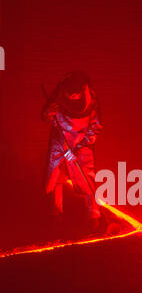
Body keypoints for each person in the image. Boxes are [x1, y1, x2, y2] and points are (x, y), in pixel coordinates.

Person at [42, 71, 104, 234]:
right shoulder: (58, 98)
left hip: (81, 144)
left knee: (87, 178)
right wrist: (49, 113)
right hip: (61, 143)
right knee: (57, 177)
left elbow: (95, 127)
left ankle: (94, 214)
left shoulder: (92, 103)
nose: (73, 97)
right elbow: (47, 118)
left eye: (76, 94)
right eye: (70, 94)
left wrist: (81, 147)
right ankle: (56, 212)